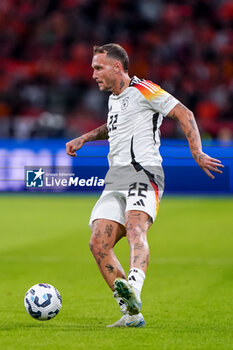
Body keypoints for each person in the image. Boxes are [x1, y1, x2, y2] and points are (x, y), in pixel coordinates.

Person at [66, 43, 224, 327]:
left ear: (117, 67)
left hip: (143, 172)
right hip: (114, 177)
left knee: (136, 228)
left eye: (98, 67)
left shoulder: (145, 89)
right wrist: (85, 137)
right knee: (98, 242)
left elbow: (184, 114)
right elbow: (112, 126)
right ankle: (131, 313)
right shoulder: (115, 99)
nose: (93, 74)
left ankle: (134, 290)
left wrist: (197, 151)